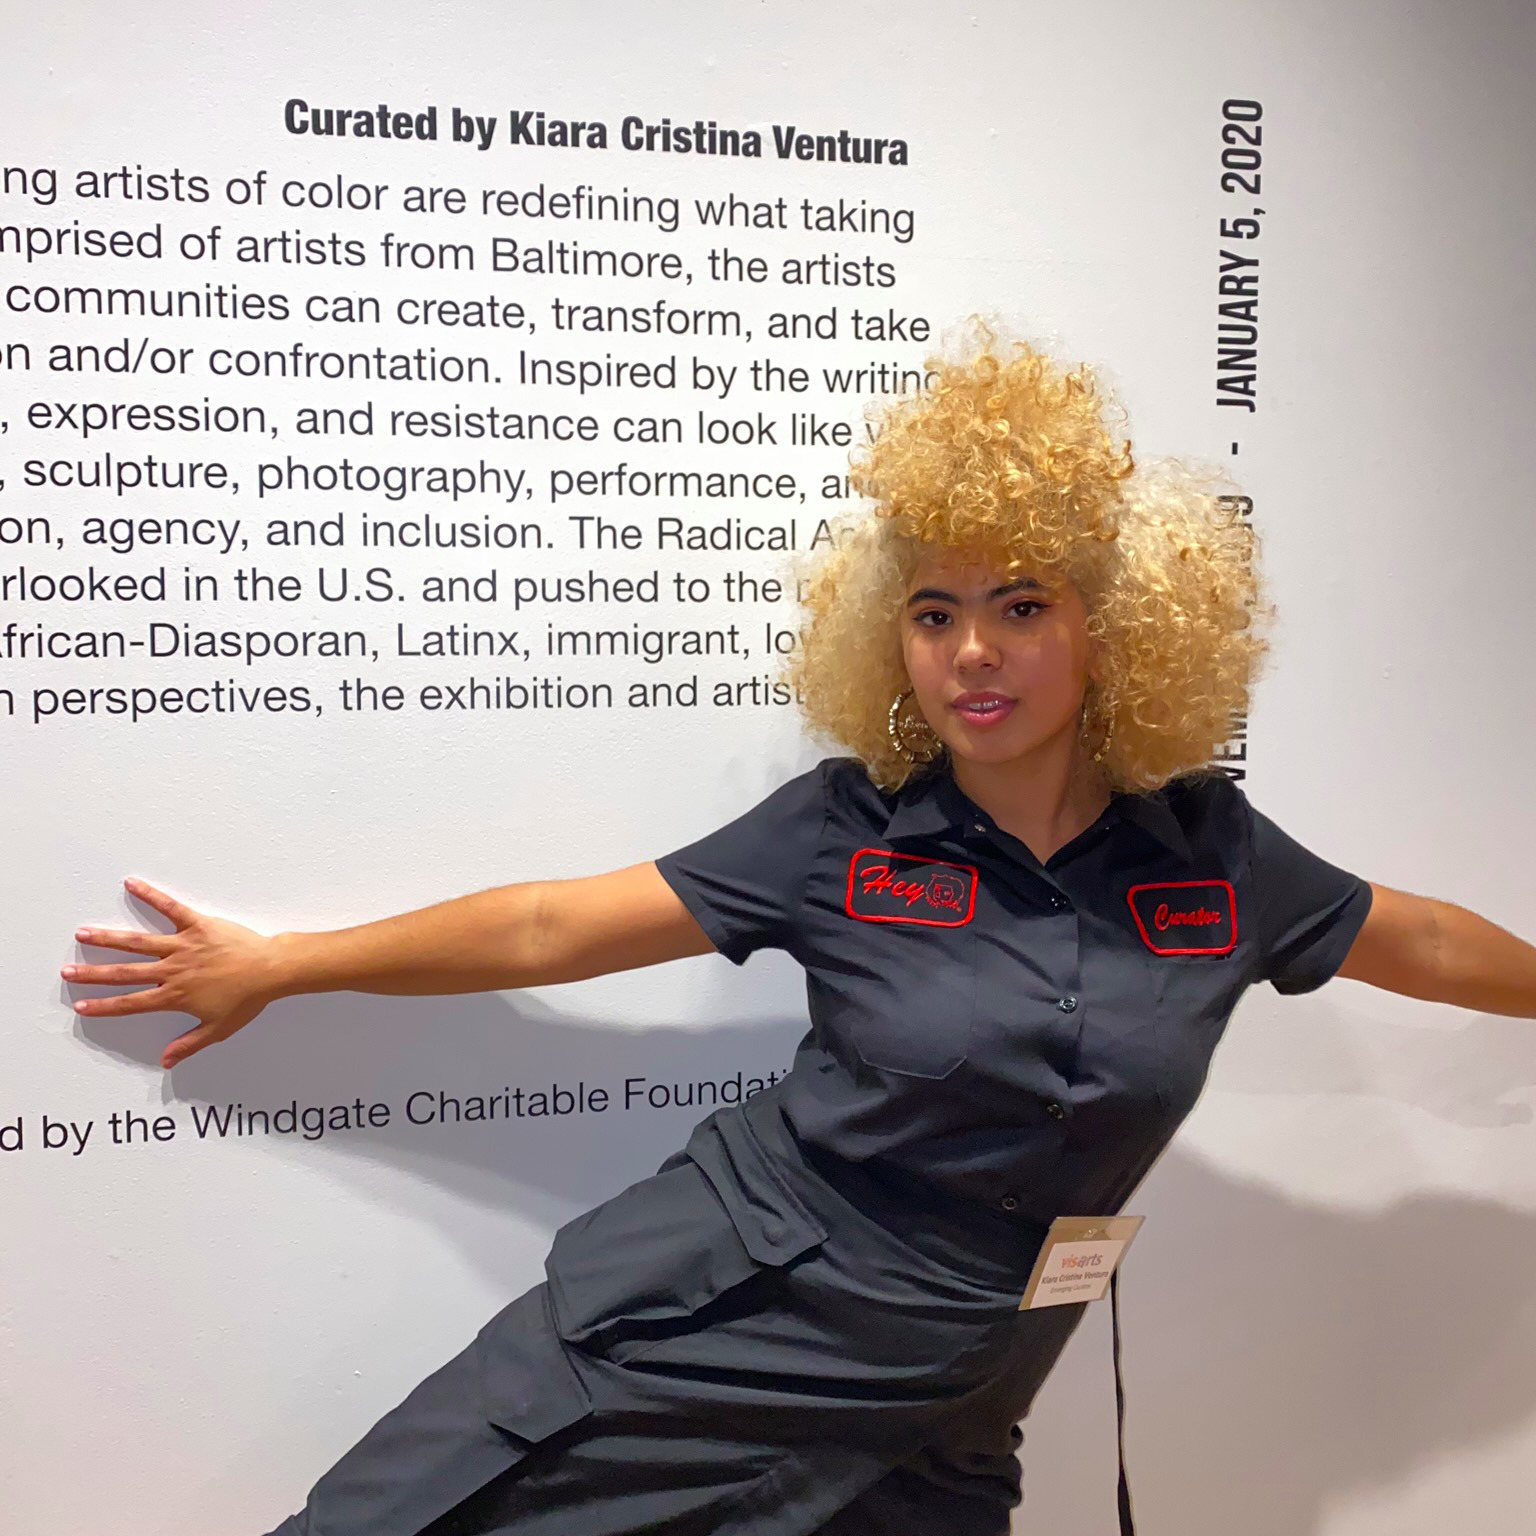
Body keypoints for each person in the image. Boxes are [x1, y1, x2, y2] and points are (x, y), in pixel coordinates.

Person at [63, 334, 1536, 1536]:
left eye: (1021, 606)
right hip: (718, 1314)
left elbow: (1419, 941)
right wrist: (284, 964)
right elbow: (553, 928)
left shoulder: (1213, 854)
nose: (972, 652)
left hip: (956, 1391)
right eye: (935, 613)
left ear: (1110, 629)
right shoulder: (845, 830)